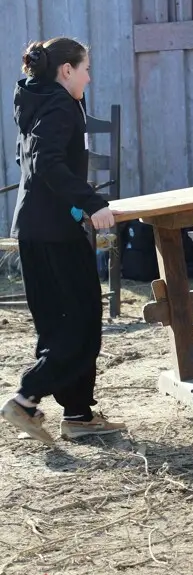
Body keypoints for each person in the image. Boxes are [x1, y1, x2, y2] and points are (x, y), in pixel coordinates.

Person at [0, 38, 125, 445]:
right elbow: (45, 163)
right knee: (83, 322)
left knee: (59, 324)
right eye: (85, 68)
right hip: (54, 233)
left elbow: (37, 162)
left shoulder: (38, 100)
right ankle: (25, 398)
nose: (90, 76)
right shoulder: (58, 105)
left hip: (37, 229)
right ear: (66, 70)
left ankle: (77, 414)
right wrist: (91, 202)